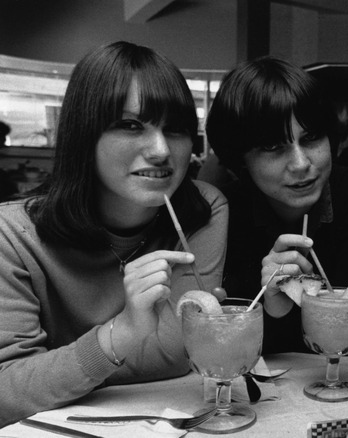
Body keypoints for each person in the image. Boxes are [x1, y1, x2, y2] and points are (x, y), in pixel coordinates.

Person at [0, 41, 228, 426]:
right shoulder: (13, 234)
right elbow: (7, 394)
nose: (161, 150)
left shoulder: (204, 209)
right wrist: (122, 333)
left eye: (175, 129)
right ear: (83, 133)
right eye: (131, 125)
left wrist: (55, 372)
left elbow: (177, 354)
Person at [205, 56, 348, 354]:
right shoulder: (224, 215)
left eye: (312, 137)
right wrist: (275, 307)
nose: (301, 163)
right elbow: (226, 344)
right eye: (273, 147)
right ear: (241, 160)